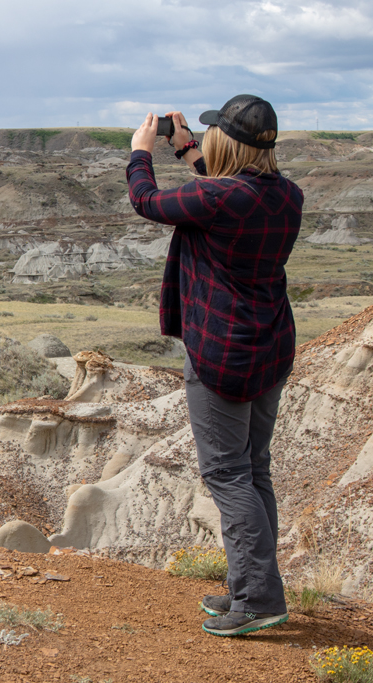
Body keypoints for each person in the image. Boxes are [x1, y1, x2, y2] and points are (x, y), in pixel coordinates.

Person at [125, 95, 303, 637]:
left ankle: (257, 599)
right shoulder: (287, 195)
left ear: (226, 141)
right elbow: (229, 195)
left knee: (226, 474)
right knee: (254, 469)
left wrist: (140, 153)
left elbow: (147, 202)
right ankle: (249, 584)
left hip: (220, 353)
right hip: (269, 347)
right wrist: (188, 154)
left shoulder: (216, 197)